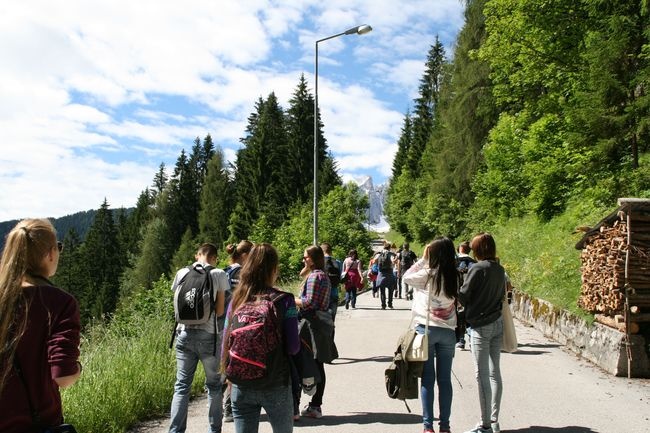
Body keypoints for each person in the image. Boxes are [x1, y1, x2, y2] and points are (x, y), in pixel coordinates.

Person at [0, 219, 82, 432]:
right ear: (50, 254)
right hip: (38, 424)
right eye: (59, 247)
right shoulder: (60, 303)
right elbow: (63, 376)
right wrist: (78, 369)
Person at [221, 243, 299, 433]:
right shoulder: (285, 301)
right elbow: (293, 347)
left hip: (240, 382)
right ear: (274, 269)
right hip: (275, 382)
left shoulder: (237, 299)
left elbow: (225, 341)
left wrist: (228, 374)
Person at [169, 243, 229, 433]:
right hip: (209, 337)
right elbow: (220, 310)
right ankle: (214, 430)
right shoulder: (219, 274)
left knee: (182, 386)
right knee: (214, 386)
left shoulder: (181, 272)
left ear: (198, 255)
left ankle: (175, 431)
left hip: (183, 335)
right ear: (215, 258)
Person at [403, 237, 458, 433]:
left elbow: (406, 276)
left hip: (426, 330)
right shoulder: (455, 275)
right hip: (448, 331)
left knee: (427, 379)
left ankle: (428, 427)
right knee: (445, 380)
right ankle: (445, 426)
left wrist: (423, 259)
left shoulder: (427, 274)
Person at [459, 233, 506, 433]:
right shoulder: (499, 269)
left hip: (480, 326)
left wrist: (457, 283)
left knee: (482, 375)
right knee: (495, 373)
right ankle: (494, 420)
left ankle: (485, 425)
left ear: (478, 250)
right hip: (497, 323)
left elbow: (464, 296)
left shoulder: (477, 268)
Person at [295, 245, 332, 419]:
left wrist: (291, 299)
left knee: (307, 362)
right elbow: (301, 276)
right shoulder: (321, 275)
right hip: (321, 322)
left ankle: (310, 405)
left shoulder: (315, 277)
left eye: (306, 257)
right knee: (318, 363)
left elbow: (309, 303)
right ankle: (316, 405)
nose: (303, 260)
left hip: (310, 324)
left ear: (314, 258)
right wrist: (306, 268)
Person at [221, 240, 253, 423]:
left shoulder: (225, 271)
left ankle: (225, 404)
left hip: (223, 323)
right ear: (245, 255)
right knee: (236, 364)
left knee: (227, 362)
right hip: (239, 323)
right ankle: (229, 407)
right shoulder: (243, 273)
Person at [455, 241, 476, 350]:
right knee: (470, 317)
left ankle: (460, 340)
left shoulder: (454, 262)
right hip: (472, 295)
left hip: (458, 294)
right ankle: (472, 339)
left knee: (458, 317)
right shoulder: (475, 263)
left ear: (460, 249)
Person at [320, 242, 341, 321]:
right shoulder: (338, 262)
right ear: (331, 251)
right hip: (334, 293)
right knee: (331, 321)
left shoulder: (320, 262)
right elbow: (340, 276)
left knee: (322, 322)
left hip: (322, 295)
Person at [374, 241, 396, 309]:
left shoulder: (379, 253)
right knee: (390, 290)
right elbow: (393, 261)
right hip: (389, 273)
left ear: (384, 247)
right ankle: (390, 304)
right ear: (389, 248)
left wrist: (378, 264)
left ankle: (383, 305)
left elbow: (375, 260)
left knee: (382, 291)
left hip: (381, 273)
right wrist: (395, 260)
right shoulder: (390, 254)